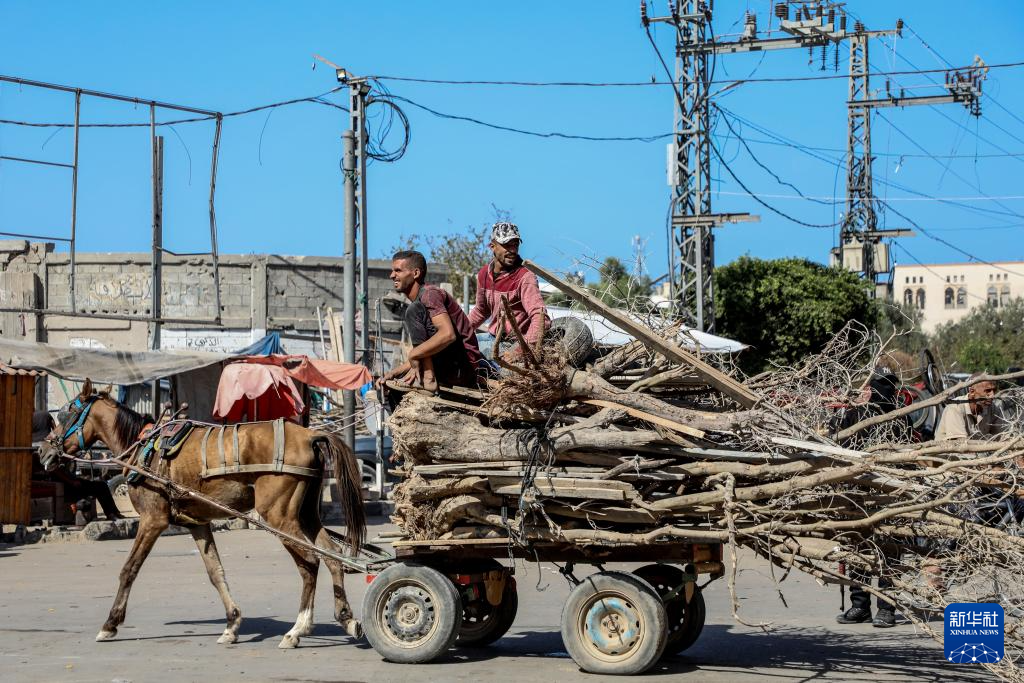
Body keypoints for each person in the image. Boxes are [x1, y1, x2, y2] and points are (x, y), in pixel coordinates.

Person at [378, 250, 483, 391]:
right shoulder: (421, 303)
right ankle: (425, 377)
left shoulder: (430, 294)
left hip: (464, 367)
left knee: (413, 311)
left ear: (415, 273)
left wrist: (414, 353)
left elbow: (447, 335)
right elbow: (428, 350)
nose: (392, 276)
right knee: (393, 385)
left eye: (398, 271)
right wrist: (394, 372)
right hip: (452, 365)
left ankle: (429, 378)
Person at [467, 221, 550, 360]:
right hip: (492, 338)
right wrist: (458, 330)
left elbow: (541, 318)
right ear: (492, 246)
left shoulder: (524, 277)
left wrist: (520, 351)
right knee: (454, 345)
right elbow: (481, 310)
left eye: (515, 245)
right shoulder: (483, 275)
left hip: (514, 344)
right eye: (507, 245)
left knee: (467, 355)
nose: (512, 250)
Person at [32, 410, 123, 522]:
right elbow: (54, 470)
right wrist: (72, 481)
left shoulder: (37, 446)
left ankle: (114, 513)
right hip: (61, 484)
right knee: (101, 487)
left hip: (60, 481)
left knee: (99, 486)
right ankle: (112, 514)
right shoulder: (46, 449)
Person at [934, 375, 1000, 441]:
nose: (992, 395)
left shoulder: (992, 408)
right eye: (988, 391)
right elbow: (961, 446)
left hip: (975, 449)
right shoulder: (955, 408)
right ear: (972, 392)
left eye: (994, 390)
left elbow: (1003, 437)